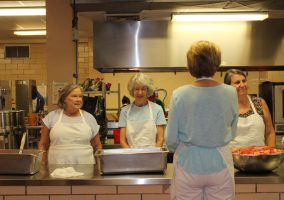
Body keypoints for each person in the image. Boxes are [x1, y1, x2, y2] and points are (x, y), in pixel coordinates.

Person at [165, 40, 239, 200]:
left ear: (190, 65)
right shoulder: (230, 93)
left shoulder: (179, 94)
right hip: (221, 163)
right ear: (216, 63)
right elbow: (232, 131)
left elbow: (170, 138)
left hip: (187, 163)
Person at [38, 84, 102, 165]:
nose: (78, 99)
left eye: (80, 96)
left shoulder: (89, 118)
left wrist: (99, 164)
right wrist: (42, 164)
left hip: (85, 167)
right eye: (74, 96)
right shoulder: (51, 117)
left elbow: (97, 145)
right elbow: (42, 145)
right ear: (64, 99)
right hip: (56, 168)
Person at [224, 69, 276, 148]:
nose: (242, 85)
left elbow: (269, 132)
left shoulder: (259, 103)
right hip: (232, 158)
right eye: (237, 82)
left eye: (244, 81)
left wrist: (270, 153)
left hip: (259, 157)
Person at [118, 73, 167, 148]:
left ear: (148, 90)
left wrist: (153, 155)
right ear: (132, 90)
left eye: (143, 89)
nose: (140, 92)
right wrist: (132, 156)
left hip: (152, 155)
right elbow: (122, 141)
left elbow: (160, 139)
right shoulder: (125, 111)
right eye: (136, 89)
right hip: (132, 155)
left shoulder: (157, 109)